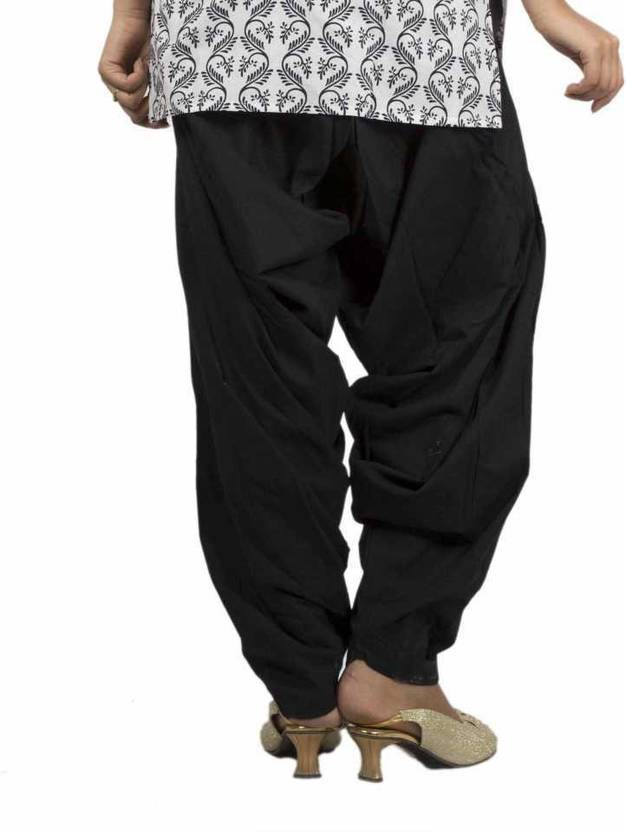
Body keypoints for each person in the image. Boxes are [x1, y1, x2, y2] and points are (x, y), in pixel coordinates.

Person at [99, 0, 622, 781]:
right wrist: (549, 9)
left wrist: (133, 14)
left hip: (232, 42)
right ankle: (393, 666)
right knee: (458, 339)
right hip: (420, 38)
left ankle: (300, 686)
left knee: (258, 370)